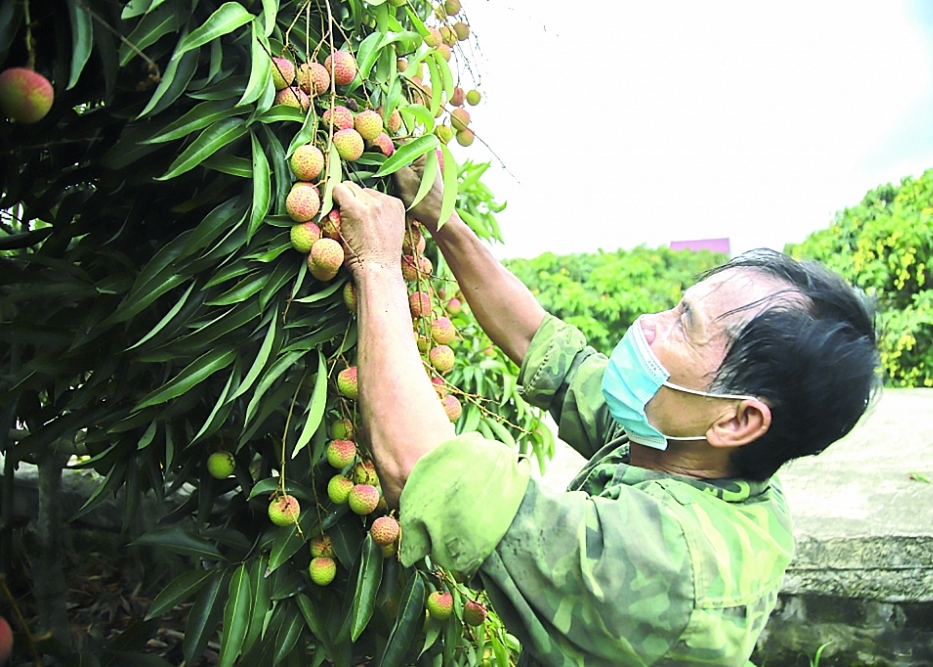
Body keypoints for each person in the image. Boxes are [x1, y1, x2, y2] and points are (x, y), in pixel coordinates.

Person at [330, 163, 880, 667]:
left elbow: (426, 469)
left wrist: (377, 264)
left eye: (684, 325)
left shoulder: (665, 562)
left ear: (737, 421)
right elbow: (543, 346)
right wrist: (440, 217)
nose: (648, 322)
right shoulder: (686, 442)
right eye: (675, 305)